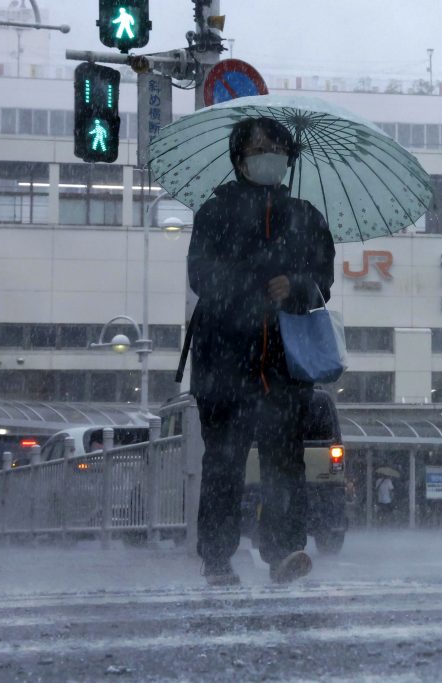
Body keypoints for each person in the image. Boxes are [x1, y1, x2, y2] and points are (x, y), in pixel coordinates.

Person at [185, 116, 335, 586]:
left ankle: (283, 552)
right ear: (239, 159)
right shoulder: (215, 214)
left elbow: (323, 283)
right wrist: (252, 279)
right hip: (223, 363)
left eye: (276, 147)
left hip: (284, 367)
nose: (268, 154)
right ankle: (215, 558)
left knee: (284, 463)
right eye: (258, 147)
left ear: (288, 158)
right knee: (224, 463)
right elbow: (202, 277)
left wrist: (296, 285)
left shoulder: (307, 216)